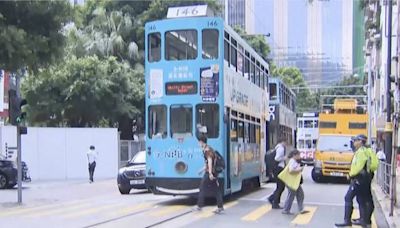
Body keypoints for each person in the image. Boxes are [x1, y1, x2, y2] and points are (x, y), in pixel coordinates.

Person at [335, 134, 374, 227]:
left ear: (360, 142)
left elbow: (358, 167)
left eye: (356, 140)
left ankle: (347, 221)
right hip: (367, 178)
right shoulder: (369, 150)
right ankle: (365, 220)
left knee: (348, 197)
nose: (354, 142)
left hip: (358, 178)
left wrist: (350, 174)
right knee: (363, 199)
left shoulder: (361, 152)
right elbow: (375, 165)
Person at [192, 134, 224, 214]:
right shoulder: (209, 149)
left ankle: (199, 206)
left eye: (199, 142)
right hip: (212, 172)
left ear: (202, 142)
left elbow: (210, 161)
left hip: (210, 173)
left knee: (202, 187)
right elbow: (208, 163)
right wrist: (202, 170)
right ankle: (220, 207)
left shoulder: (207, 150)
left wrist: (209, 173)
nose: (198, 144)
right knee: (216, 189)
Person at [281, 149, 308, 215]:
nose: (299, 156)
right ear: (294, 155)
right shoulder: (292, 161)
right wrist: (300, 169)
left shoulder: (294, 161)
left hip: (294, 181)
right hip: (292, 181)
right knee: (292, 195)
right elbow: (291, 170)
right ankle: (286, 210)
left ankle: (300, 209)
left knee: (300, 194)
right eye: (298, 155)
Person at [268, 137, 287, 209]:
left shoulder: (277, 147)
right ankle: (274, 202)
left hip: (276, 169)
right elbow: (277, 158)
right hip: (279, 169)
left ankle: (273, 199)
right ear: (282, 142)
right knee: (281, 186)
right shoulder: (281, 148)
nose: (286, 144)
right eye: (285, 142)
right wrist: (284, 158)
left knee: (280, 186)